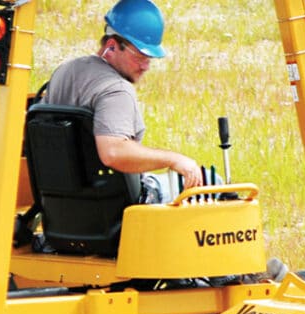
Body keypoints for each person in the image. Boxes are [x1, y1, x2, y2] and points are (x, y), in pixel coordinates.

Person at [42, 0, 202, 199]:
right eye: (140, 56)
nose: (145, 66)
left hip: (62, 204)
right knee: (213, 184)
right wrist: (174, 159)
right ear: (112, 46)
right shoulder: (116, 90)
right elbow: (113, 152)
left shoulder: (64, 72)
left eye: (149, 59)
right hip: (115, 206)